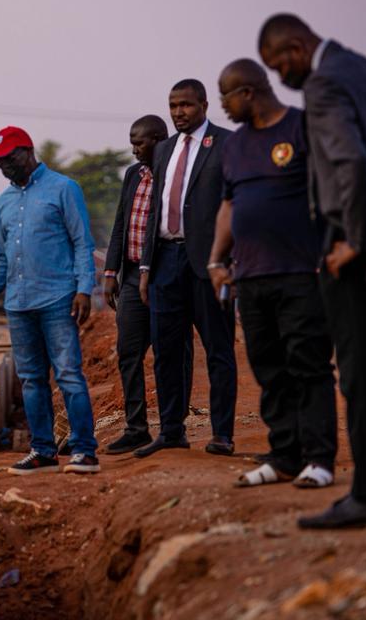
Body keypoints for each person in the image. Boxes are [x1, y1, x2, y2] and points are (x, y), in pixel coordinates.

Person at [259, 13, 366, 530]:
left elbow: (350, 163)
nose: (280, 77)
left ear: (298, 46)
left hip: (356, 249)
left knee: (360, 377)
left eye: (278, 64)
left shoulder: (325, 84)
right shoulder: (365, 70)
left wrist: (351, 238)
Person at [210, 59, 338, 489]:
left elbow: (336, 188)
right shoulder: (235, 145)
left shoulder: (302, 128)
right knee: (269, 369)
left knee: (308, 366)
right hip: (251, 276)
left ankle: (319, 459)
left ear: (247, 92)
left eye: (225, 96)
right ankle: (285, 455)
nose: (222, 106)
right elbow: (229, 205)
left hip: (302, 271)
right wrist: (216, 261)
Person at [0, 126, 100, 474]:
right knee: (31, 379)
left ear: (27, 152)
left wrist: (84, 288)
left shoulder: (63, 189)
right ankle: (43, 450)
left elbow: (81, 243)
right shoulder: (3, 202)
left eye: (8, 159)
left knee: (68, 374)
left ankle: (85, 450)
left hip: (58, 299)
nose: (3, 167)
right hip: (18, 304)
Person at [137, 79, 238, 458]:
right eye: (173, 105)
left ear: (204, 105)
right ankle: (171, 430)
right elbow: (154, 212)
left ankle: (223, 434)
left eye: (186, 105)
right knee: (166, 352)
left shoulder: (226, 144)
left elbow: (236, 203)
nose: (179, 112)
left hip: (209, 263)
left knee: (218, 350)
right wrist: (146, 267)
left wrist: (229, 261)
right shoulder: (162, 150)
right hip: (165, 262)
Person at [101, 114, 169, 454]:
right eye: (132, 143)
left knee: (170, 353)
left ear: (158, 139)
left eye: (139, 143)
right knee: (129, 352)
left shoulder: (172, 174)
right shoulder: (133, 175)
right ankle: (136, 427)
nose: (134, 150)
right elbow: (120, 224)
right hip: (129, 278)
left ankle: (173, 427)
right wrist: (110, 273)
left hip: (165, 274)